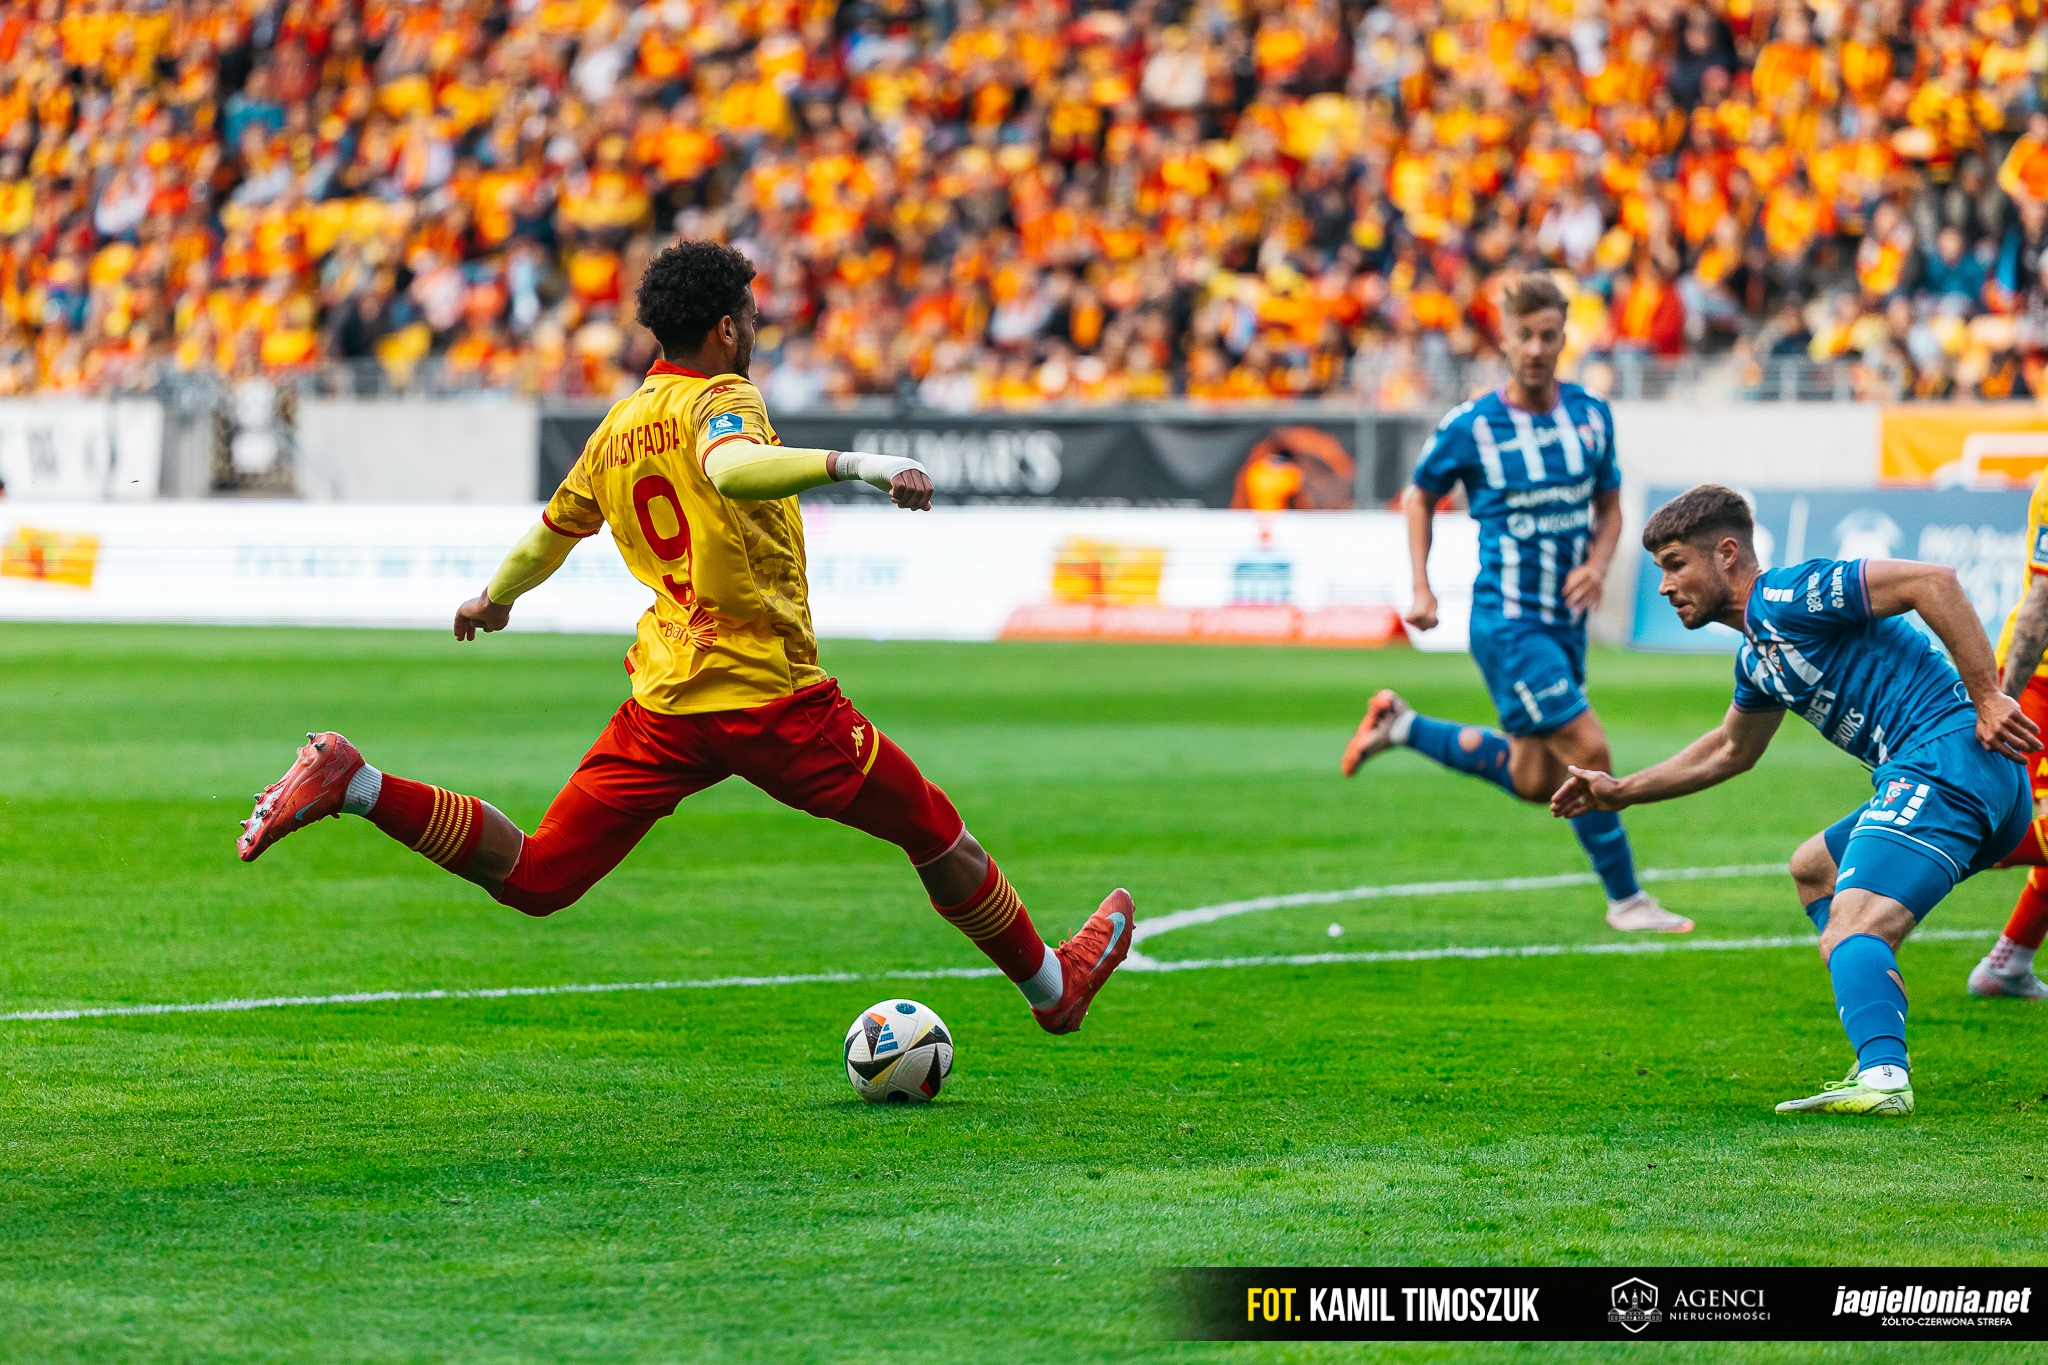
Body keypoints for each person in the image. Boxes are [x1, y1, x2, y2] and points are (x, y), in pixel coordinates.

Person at [236, 240, 1135, 1035]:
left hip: (667, 701)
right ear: (726, 329)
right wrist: (860, 464)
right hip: (772, 699)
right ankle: (1053, 988)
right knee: (935, 831)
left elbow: (552, 531)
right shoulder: (723, 397)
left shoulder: (617, 428)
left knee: (540, 876)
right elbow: (732, 468)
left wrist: (492, 598)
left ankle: (357, 783)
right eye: (752, 318)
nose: (757, 332)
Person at [1552, 485, 2040, 1116]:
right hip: (1968, 778)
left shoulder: (1790, 595)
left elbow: (1933, 581)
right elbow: (1731, 749)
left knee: (1853, 924)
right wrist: (1621, 791)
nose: (1666, 585)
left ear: (1727, 553)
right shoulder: (1758, 658)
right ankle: (1869, 992)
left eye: (1676, 564)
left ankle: (1883, 1075)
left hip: (1948, 762)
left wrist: (1988, 696)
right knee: (1815, 869)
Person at [1340, 272, 1690, 934]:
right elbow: (1419, 496)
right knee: (1587, 745)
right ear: (1503, 339)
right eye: (1524, 335)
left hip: (1565, 625)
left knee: (1536, 780)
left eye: (1548, 335)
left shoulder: (1590, 415)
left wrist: (1596, 564)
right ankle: (1627, 899)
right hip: (1508, 621)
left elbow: (1611, 506)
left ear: (1563, 338)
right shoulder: (1472, 426)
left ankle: (1403, 726)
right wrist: (1421, 586)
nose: (1535, 348)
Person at [1967, 469, 2048, 999]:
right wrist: (2005, 701)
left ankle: (2009, 962)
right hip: (2039, 684)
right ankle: (1904, 847)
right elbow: (2045, 601)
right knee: (2022, 824)